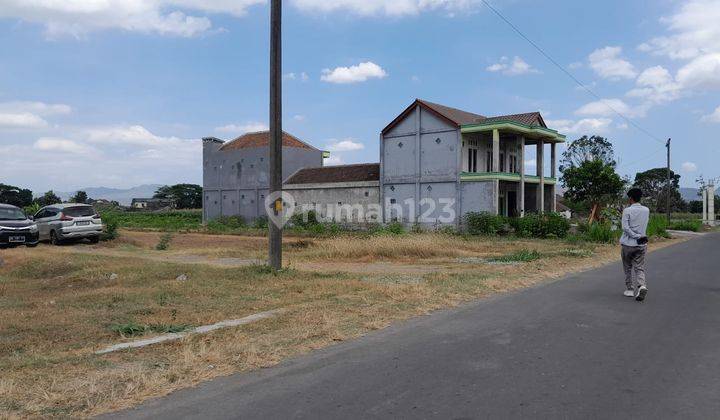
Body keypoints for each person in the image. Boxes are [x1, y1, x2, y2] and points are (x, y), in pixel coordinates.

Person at [620, 188, 650, 301]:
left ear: (631, 198)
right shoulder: (646, 210)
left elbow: (625, 228)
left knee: (627, 267)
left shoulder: (627, 211)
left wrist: (635, 235)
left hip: (628, 244)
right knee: (639, 267)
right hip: (642, 243)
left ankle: (629, 289)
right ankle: (642, 286)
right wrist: (640, 236)